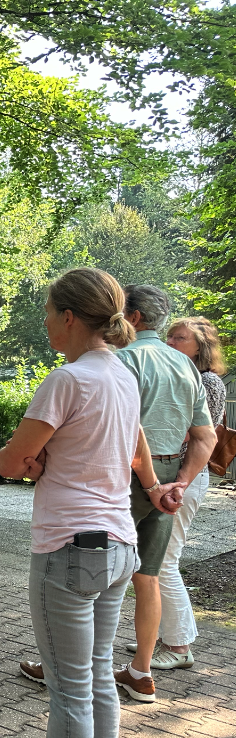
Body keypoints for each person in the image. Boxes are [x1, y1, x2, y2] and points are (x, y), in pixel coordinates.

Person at [0, 268, 181, 738]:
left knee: (70, 690)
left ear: (69, 317)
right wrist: (149, 488)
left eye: (49, 313)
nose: (46, 323)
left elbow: (11, 461)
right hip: (118, 545)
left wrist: (31, 461)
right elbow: (131, 446)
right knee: (95, 680)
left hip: (68, 550)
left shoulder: (66, 381)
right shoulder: (121, 375)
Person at [115, 286, 216, 702]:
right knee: (149, 575)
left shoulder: (121, 360)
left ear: (133, 317)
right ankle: (141, 671)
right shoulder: (185, 365)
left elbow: (117, 430)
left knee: (96, 570)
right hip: (172, 473)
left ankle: (63, 667)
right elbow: (206, 435)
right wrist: (180, 483)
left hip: (126, 475)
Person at [146, 316, 228, 669]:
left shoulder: (207, 380)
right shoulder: (183, 374)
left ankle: (179, 647)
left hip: (185, 477)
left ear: (201, 346)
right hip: (173, 475)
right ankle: (163, 635)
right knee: (156, 560)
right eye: (170, 336)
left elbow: (194, 433)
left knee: (164, 561)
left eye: (180, 338)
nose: (171, 342)